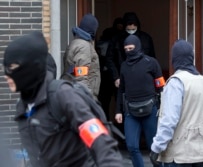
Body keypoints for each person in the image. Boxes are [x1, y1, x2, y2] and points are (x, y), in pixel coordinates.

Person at [3, 31, 123, 167]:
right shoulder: (23, 107)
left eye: (12, 67)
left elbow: (100, 141)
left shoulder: (62, 95)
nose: (6, 75)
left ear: (30, 67)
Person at [150, 39, 203, 167]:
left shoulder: (176, 82)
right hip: (202, 151)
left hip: (180, 154)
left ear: (174, 59)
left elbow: (169, 120)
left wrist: (156, 147)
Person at [115, 35, 165, 167]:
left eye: (131, 48)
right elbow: (121, 90)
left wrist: (163, 107)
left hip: (150, 110)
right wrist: (118, 111)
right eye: (126, 49)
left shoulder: (151, 62)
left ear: (138, 47)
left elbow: (161, 86)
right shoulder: (124, 66)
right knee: (131, 146)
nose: (129, 51)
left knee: (154, 147)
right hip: (131, 111)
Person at [106, 12, 156, 89]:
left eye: (133, 29)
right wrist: (116, 77)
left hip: (142, 79)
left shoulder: (146, 39)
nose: (131, 32)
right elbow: (109, 59)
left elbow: (152, 58)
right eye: (128, 29)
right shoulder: (116, 39)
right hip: (122, 79)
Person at [62, 13, 100, 99]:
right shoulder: (84, 46)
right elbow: (81, 76)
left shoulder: (75, 42)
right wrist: (87, 99)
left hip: (71, 92)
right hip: (81, 96)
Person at [96, 17, 124, 120]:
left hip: (108, 74)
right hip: (109, 75)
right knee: (111, 101)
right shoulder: (115, 40)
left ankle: (106, 122)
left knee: (106, 102)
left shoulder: (101, 43)